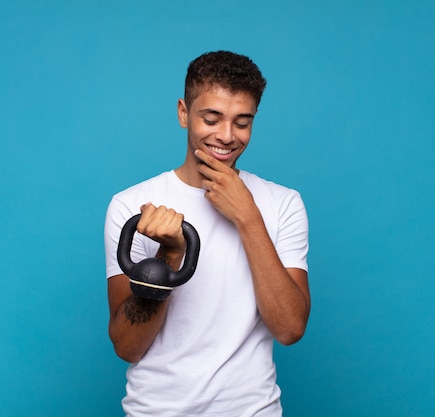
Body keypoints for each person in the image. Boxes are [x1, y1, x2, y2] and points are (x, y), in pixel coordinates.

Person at [104, 50, 311, 416]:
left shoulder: (283, 203)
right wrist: (169, 255)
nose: (227, 136)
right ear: (184, 113)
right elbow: (128, 347)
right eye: (211, 119)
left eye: (242, 122)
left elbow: (290, 328)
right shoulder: (131, 205)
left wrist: (248, 218)